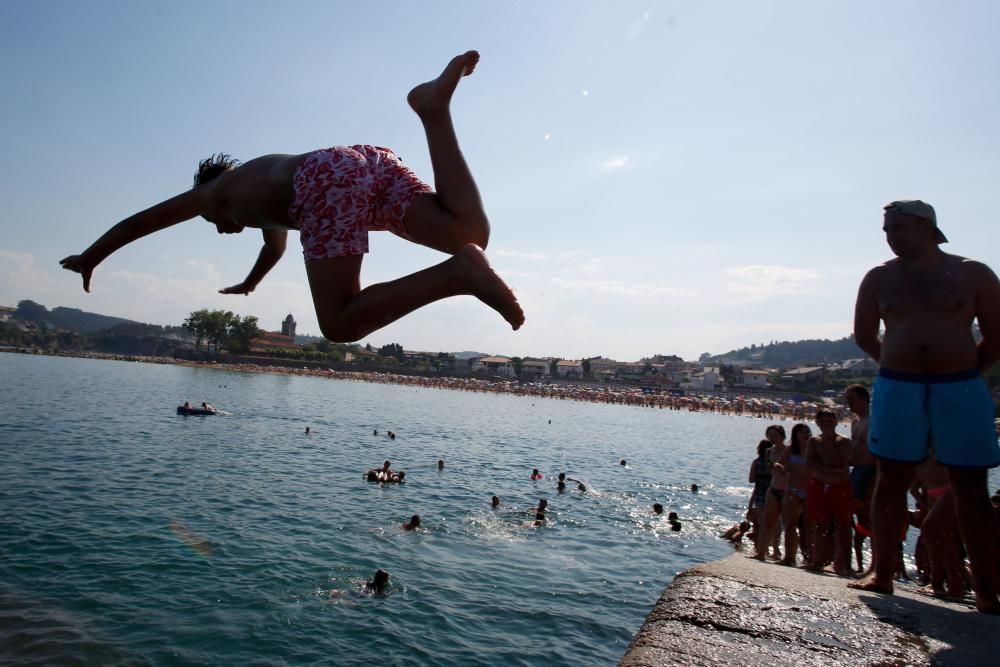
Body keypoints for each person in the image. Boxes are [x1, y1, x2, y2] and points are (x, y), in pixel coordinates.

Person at [59, 51, 525, 344]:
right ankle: (433, 109)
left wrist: (92, 256)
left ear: (208, 193)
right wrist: (250, 284)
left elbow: (143, 221)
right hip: (362, 161)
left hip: (326, 182)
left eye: (215, 222)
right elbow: (273, 247)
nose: (222, 228)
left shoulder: (213, 194)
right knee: (468, 231)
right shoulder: (259, 191)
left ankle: (460, 274)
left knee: (340, 325)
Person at [849, 200, 1000, 614]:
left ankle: (987, 589)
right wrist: (898, 365)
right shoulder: (879, 278)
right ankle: (882, 571)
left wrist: (966, 370)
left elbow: (996, 333)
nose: (890, 236)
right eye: (886, 230)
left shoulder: (972, 273)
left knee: (971, 487)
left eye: (898, 227)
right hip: (899, 384)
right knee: (891, 478)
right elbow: (864, 335)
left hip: (960, 386)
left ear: (927, 227)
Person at [805, 409, 853, 575]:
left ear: (835, 422)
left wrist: (828, 441)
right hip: (819, 485)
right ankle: (818, 560)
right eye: (823, 422)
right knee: (820, 524)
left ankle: (845, 565)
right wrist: (828, 470)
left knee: (844, 525)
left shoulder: (843, 441)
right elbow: (810, 463)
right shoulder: (813, 441)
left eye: (829, 421)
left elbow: (842, 465)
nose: (826, 424)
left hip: (840, 487)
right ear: (817, 423)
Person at [845, 384, 874, 573]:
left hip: (870, 470)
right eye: (847, 399)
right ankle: (849, 561)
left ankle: (876, 565)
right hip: (856, 470)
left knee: (869, 516)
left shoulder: (874, 421)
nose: (848, 403)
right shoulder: (855, 421)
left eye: (852, 399)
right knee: (850, 515)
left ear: (865, 399)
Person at [777, 423, 813, 567]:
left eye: (808, 432)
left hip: (810, 491)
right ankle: (789, 557)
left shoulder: (813, 448)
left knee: (808, 526)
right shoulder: (790, 449)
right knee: (790, 525)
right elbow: (779, 464)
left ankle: (809, 558)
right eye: (803, 432)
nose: (806, 434)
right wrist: (781, 469)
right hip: (793, 490)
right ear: (796, 435)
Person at [754, 425, 787, 562]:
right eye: (770, 435)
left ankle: (777, 550)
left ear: (782, 436)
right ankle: (763, 551)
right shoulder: (768, 452)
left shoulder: (788, 450)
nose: (772, 438)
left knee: (782, 523)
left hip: (786, 489)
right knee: (768, 521)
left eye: (775, 435)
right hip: (772, 487)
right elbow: (770, 471)